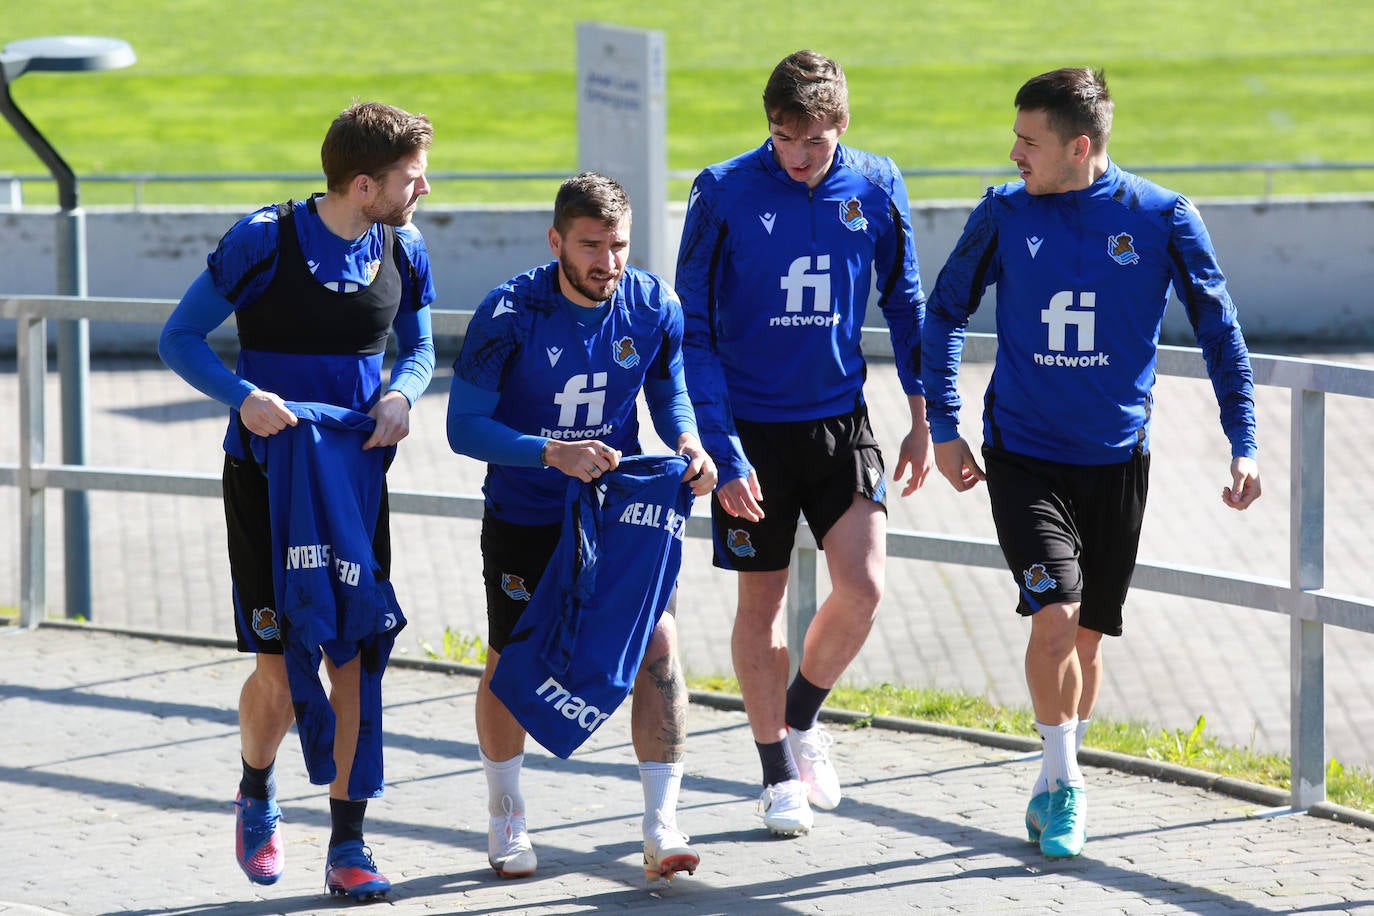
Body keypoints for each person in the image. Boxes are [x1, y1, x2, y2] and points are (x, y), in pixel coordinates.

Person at [921, 67, 1262, 860]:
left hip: (1116, 463)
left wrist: (1243, 438)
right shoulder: (1003, 213)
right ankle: (1068, 781)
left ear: (1080, 147)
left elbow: (1220, 330)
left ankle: (1051, 780)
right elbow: (943, 315)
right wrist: (944, 427)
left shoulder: (1161, 216)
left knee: (1086, 641)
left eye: (1028, 142)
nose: (1013, 155)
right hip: (1022, 457)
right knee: (1057, 612)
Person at [158, 101, 436, 901]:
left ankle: (349, 845)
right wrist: (242, 395)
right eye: (411, 177)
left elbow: (417, 346)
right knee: (281, 671)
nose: (424, 188)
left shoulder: (406, 246)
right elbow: (179, 339)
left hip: (354, 483)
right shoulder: (262, 240)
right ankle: (256, 786)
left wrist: (403, 397)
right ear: (362, 185)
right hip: (266, 484)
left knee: (355, 655)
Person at [675, 49, 933, 837]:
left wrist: (926, 419)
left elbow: (908, 302)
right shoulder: (722, 191)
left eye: (812, 143)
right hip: (750, 433)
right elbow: (693, 328)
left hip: (839, 421)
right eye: (782, 139)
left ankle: (801, 717)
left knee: (864, 585)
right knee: (764, 602)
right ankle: (777, 774)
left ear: (842, 126)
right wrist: (720, 447)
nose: (795, 158)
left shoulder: (879, 183)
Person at [446, 171, 717, 882]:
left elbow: (670, 389)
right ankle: (506, 811)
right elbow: (463, 427)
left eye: (619, 245)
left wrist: (688, 443)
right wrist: (550, 453)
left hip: (616, 512)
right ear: (556, 240)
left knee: (657, 645)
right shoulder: (508, 312)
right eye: (591, 245)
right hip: (526, 514)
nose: (608, 262)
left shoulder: (654, 304)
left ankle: (661, 824)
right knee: (511, 658)